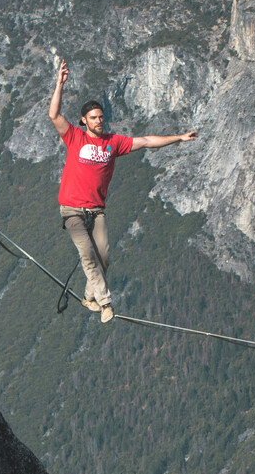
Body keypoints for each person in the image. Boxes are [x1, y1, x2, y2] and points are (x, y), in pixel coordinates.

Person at [48, 59, 197, 323]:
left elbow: (148, 141)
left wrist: (178, 138)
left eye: (101, 117)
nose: (99, 121)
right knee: (87, 254)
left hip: (96, 211)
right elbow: (54, 115)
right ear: (84, 121)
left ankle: (89, 297)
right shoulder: (74, 137)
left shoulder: (113, 143)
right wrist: (59, 84)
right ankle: (106, 303)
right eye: (93, 118)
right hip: (72, 210)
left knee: (102, 258)